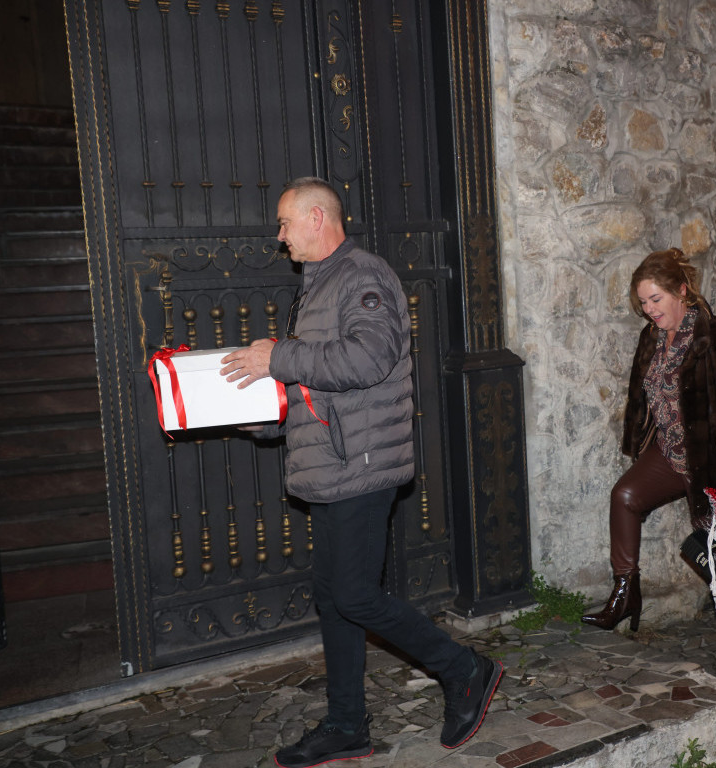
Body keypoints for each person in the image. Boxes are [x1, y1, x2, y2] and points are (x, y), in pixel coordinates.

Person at [220, 177, 502, 767]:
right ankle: (347, 725)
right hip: (331, 466)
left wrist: (278, 356)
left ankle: (464, 669)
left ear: (316, 217)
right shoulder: (318, 286)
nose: (279, 236)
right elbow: (319, 383)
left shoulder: (362, 276)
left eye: (285, 223)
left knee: (354, 594)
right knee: (334, 599)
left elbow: (368, 360)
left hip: (362, 465)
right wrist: (263, 419)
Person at [580, 247, 716, 676]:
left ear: (681, 291)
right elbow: (643, 397)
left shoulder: (715, 337)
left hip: (713, 461)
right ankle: (625, 594)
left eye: (656, 299)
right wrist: (638, 436)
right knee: (625, 495)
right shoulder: (650, 337)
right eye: (643, 302)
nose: (650, 310)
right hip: (670, 453)